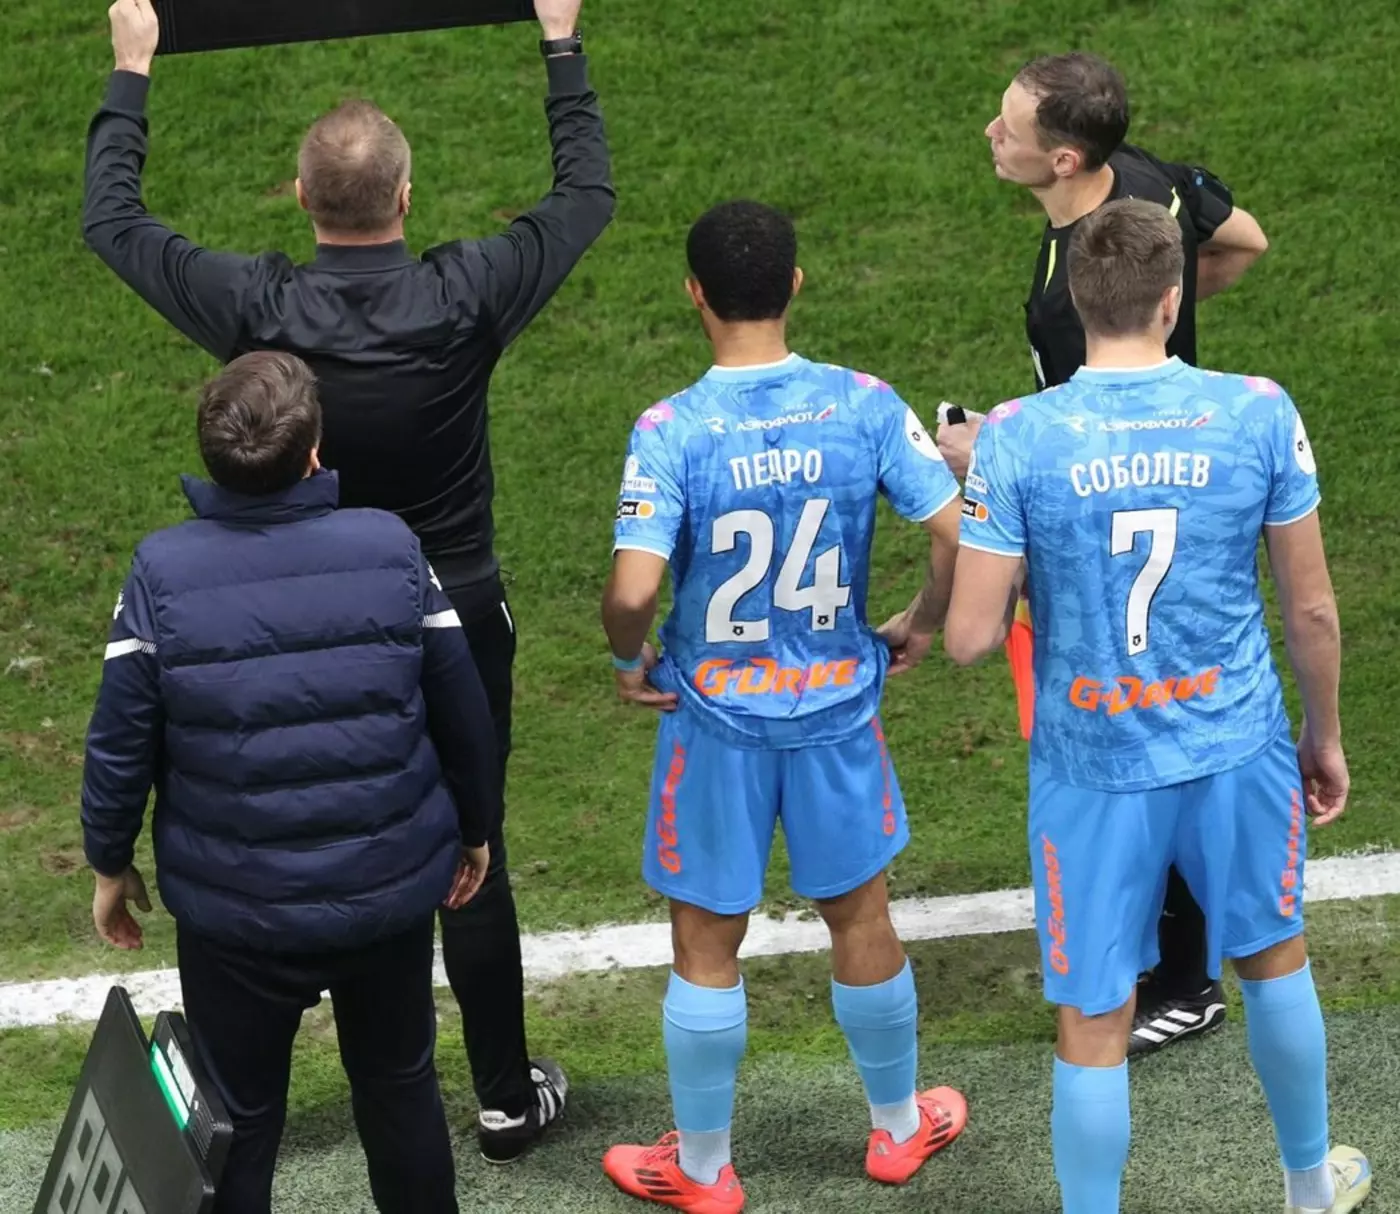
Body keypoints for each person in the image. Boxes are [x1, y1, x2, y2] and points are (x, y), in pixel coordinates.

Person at [85, 0, 613, 1157]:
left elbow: (112, 220)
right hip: (456, 606)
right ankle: (502, 1093)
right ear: (406, 197)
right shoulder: (467, 293)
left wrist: (132, 70)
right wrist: (561, 47)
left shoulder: (259, 309)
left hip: (295, 610)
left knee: (297, 816)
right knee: (474, 840)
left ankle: (263, 1085)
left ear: (299, 196)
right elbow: (584, 196)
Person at [943, 198, 1370, 1214]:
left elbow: (966, 636)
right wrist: (1322, 735)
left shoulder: (1017, 436)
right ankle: (1309, 1191)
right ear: (1173, 299)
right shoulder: (1257, 410)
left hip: (1091, 766)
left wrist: (996, 507)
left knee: (1093, 1014)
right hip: (1236, 747)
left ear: (1075, 299)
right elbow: (1310, 608)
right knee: (1272, 961)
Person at [598, 201, 968, 1212]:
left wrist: (629, 659)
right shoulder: (862, 402)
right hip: (837, 712)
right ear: (794, 284)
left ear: (695, 295)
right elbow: (953, 528)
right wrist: (924, 620)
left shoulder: (670, 429)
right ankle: (898, 1127)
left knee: (705, 939)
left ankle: (703, 1169)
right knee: (860, 914)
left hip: (713, 722)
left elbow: (632, 591)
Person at [79, 351, 503, 1214]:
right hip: (384, 898)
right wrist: (475, 828)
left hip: (236, 915)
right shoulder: (392, 547)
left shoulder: (161, 572)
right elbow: (462, 708)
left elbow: (121, 739)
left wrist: (108, 862)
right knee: (400, 1088)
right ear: (314, 452)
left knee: (237, 1122)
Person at [938, 51, 1271, 1058]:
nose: (990, 134)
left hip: (1119, 525)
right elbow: (1244, 240)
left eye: (1008, 129)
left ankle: (1184, 980)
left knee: (1141, 731)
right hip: (1187, 477)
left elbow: (1075, 426)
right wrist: (1173, 319)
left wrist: (980, 451)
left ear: (1064, 158)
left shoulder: (1063, 303)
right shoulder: (1150, 179)